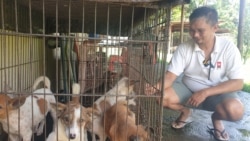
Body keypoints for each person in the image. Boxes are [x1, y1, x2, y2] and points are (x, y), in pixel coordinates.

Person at [146, 6, 244, 141]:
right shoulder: (184, 48)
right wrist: (156, 86)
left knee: (236, 110)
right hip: (188, 90)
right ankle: (186, 112)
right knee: (160, 96)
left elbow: (238, 83)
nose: (195, 35)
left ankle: (216, 118)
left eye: (200, 30)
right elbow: (170, 76)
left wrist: (205, 92)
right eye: (191, 30)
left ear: (215, 27)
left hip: (216, 93)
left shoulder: (228, 49)